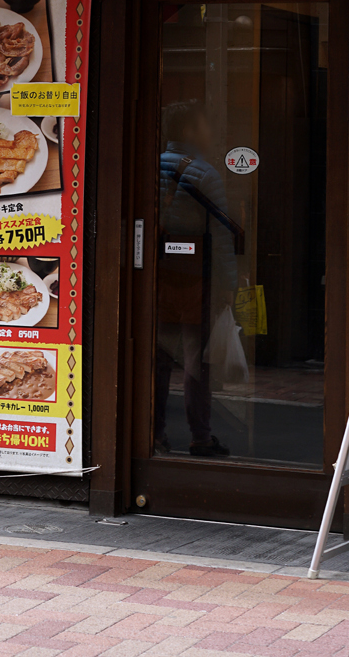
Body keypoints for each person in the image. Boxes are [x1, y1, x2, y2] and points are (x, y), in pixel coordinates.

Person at [155, 100, 239, 458]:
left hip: (158, 278)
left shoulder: (152, 164)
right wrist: (228, 285)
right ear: (190, 130)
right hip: (194, 280)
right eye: (205, 125)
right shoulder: (205, 173)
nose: (209, 132)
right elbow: (221, 237)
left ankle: (154, 434)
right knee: (195, 362)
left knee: (158, 359)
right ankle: (200, 436)